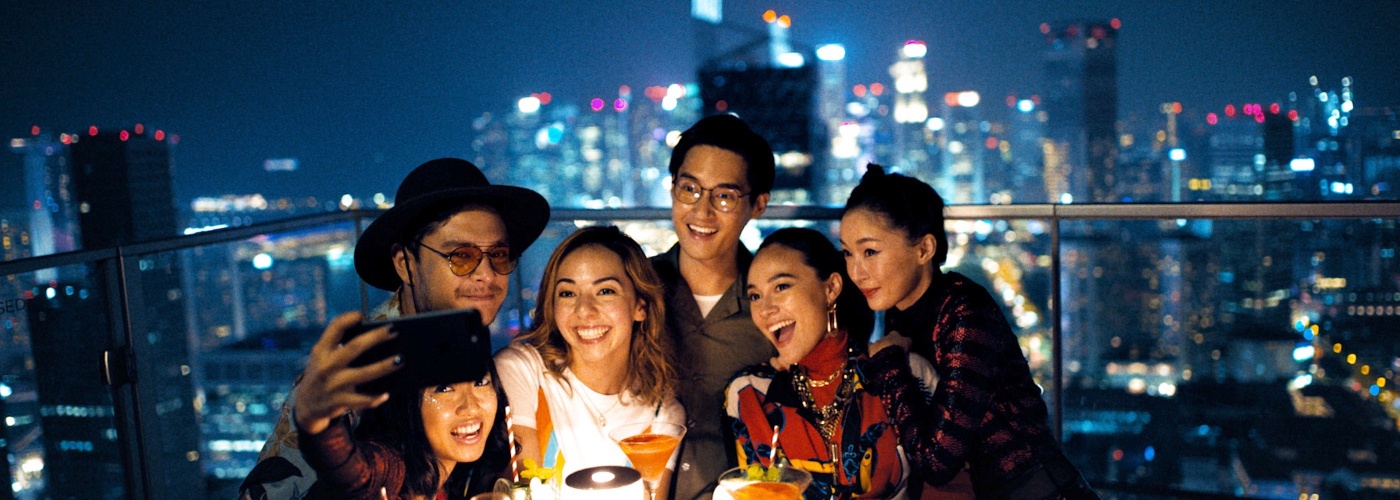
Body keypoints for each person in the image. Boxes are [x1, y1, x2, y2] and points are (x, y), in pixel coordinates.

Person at [240, 158, 551, 499]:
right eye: (462, 256)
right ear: (405, 264)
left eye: (500, 254)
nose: (488, 275)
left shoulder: (466, 343)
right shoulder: (359, 369)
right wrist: (320, 426)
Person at [839, 165, 1098, 500]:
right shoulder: (897, 314)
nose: (857, 271)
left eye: (870, 251)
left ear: (923, 250)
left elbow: (937, 461)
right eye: (848, 252)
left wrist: (889, 362)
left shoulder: (965, 312)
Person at [724, 228, 973, 499]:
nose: (764, 309)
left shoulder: (903, 374)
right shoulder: (750, 395)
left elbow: (951, 488)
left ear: (831, 288)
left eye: (781, 287)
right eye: (755, 296)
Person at [495, 226, 685, 498]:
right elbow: (525, 489)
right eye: (568, 293)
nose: (584, 310)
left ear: (640, 306)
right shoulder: (523, 370)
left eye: (606, 291)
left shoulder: (662, 415)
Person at [651, 114, 776, 500]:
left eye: (724, 196)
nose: (702, 212)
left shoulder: (777, 307)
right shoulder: (633, 288)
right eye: (690, 189)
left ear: (757, 205)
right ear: (672, 189)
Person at [290, 311, 506, 499]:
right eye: (444, 389)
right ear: (408, 405)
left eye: (480, 382)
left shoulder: (459, 482)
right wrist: (316, 422)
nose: (470, 407)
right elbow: (355, 474)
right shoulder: (392, 469)